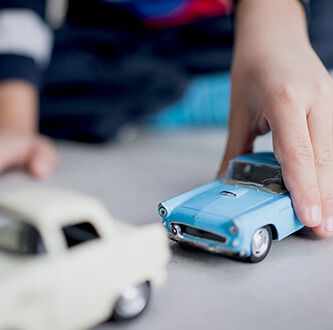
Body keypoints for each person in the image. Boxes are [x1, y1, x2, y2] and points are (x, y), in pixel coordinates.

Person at [0, 0, 332, 238]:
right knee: (46, 80)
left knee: (316, 38)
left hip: (242, 24)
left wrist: (275, 26)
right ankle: (215, 89)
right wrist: (14, 117)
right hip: (111, 32)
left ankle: (255, 80)